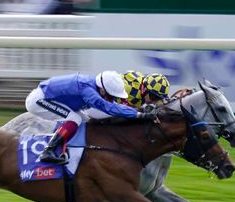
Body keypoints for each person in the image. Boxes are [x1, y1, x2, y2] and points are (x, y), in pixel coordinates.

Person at [26, 71, 158, 165]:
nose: (112, 99)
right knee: (74, 119)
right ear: (102, 90)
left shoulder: (95, 86)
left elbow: (112, 105)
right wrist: (139, 114)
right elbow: (109, 108)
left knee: (85, 120)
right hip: (39, 100)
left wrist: (136, 111)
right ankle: (48, 152)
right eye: (111, 96)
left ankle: (70, 152)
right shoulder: (89, 91)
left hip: (50, 98)